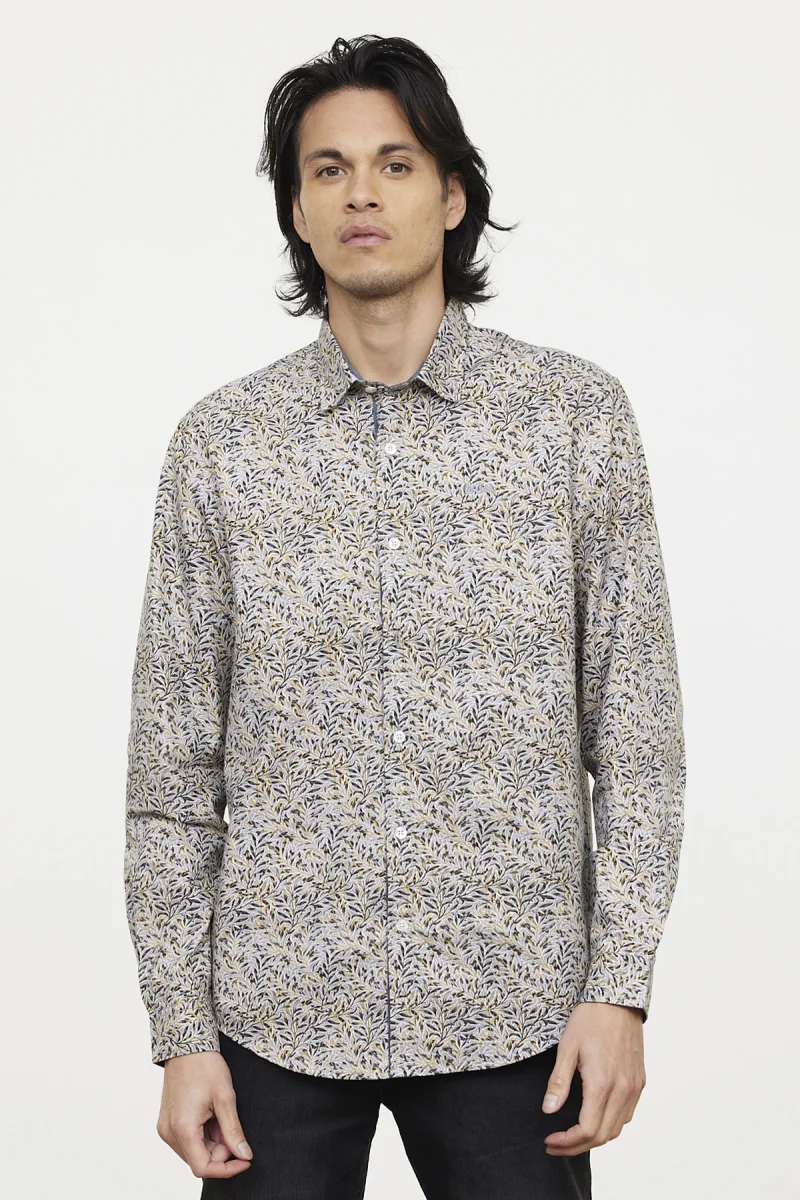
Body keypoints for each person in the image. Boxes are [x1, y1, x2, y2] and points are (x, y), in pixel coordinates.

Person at [124, 33, 686, 1200]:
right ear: (296, 211)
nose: (360, 194)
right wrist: (181, 1032)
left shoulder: (572, 420)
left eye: (394, 163)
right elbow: (171, 772)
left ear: (452, 194)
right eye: (326, 170)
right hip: (274, 1018)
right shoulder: (221, 445)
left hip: (515, 1013)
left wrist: (617, 991)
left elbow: (635, 738)